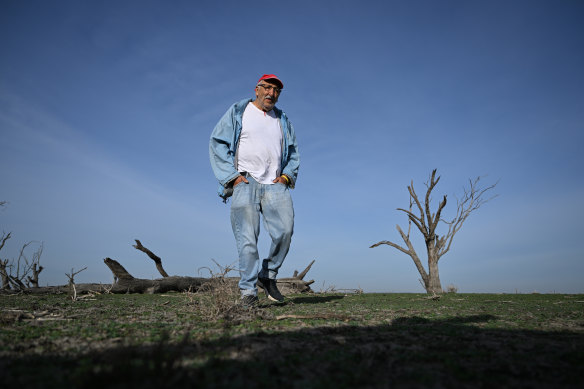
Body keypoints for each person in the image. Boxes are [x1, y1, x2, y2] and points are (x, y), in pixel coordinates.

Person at [209, 74, 300, 307]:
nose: (271, 93)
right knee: (248, 240)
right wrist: (233, 178)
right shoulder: (239, 111)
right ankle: (248, 292)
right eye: (267, 88)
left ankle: (267, 276)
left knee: (285, 232)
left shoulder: (282, 119)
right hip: (245, 182)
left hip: (275, 185)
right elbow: (218, 142)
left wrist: (286, 177)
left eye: (277, 90)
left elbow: (293, 151)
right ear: (257, 89)